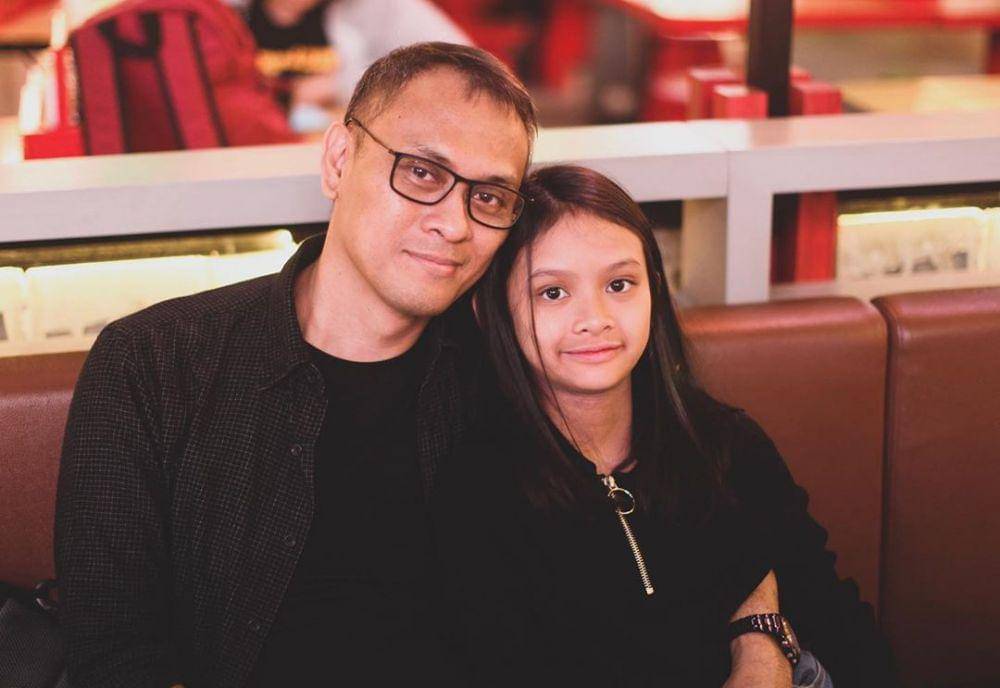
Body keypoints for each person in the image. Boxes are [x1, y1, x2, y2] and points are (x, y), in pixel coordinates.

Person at [54, 41, 533, 687]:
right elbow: (114, 655)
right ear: (339, 160)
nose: (455, 225)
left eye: (491, 197)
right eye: (422, 173)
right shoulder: (153, 363)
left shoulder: (505, 375)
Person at [434, 165, 899, 687]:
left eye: (619, 284)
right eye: (553, 293)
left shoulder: (725, 445)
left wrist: (764, 641)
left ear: (654, 291)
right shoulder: (476, 492)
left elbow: (842, 627)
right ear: (493, 309)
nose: (595, 318)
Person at [227, 0, 470, 114]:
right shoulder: (222, 13)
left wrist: (341, 86)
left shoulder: (382, 7)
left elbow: (462, 68)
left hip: (343, 147)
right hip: (249, 150)